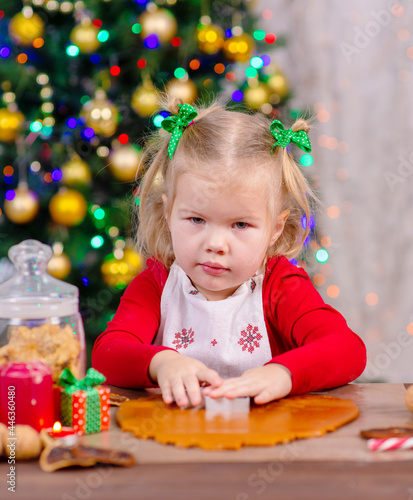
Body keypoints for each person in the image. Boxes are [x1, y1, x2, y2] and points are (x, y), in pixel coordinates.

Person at [92, 98, 366, 408]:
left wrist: (283, 373)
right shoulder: (156, 285)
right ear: (167, 211)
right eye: (197, 220)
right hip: (176, 447)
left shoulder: (281, 286)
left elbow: (347, 349)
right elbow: (107, 353)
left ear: (275, 228)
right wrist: (162, 363)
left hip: (265, 444)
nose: (216, 244)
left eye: (240, 224)